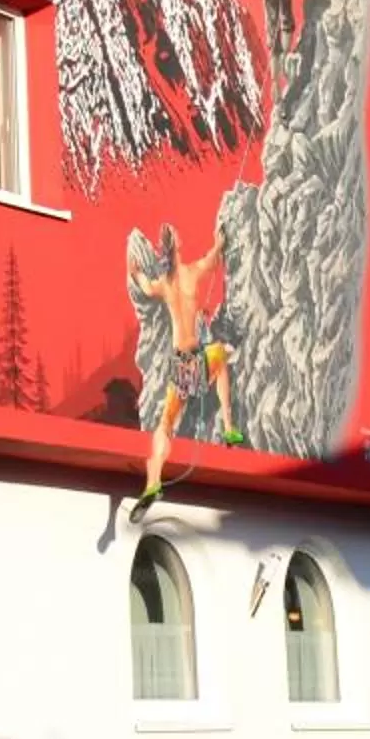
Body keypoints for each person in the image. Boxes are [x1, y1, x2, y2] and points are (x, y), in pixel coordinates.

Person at [126, 222, 241, 522]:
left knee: (165, 425)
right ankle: (229, 426)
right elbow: (211, 260)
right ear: (176, 244)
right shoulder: (189, 273)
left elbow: (146, 286)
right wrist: (218, 243)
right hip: (195, 359)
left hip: (180, 364)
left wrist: (135, 272)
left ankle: (153, 482)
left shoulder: (165, 283)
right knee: (220, 357)